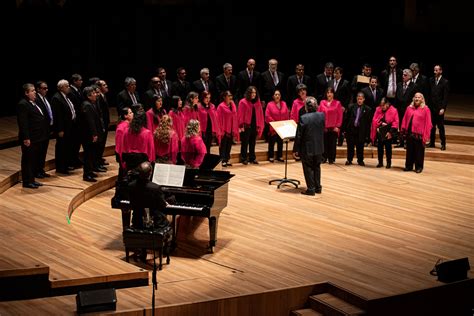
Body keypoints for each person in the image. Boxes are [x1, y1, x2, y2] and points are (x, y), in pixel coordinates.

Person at [17, 83, 50, 189]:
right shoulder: (23, 104)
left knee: (33, 160)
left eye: (34, 90)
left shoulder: (33, 103)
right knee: (28, 161)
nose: (35, 92)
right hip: (30, 138)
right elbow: (23, 123)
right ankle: (27, 182)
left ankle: (32, 180)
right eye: (32, 91)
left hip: (37, 137)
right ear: (26, 93)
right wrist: (26, 138)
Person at [293, 96, 325, 196]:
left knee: (308, 168)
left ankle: (311, 189)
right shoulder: (322, 115)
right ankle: (318, 187)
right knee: (317, 166)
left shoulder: (303, 118)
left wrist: (295, 149)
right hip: (319, 146)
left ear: (306, 107)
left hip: (307, 148)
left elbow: (299, 136)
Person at [128, 161, 170, 229]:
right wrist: (165, 202)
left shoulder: (131, 185)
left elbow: (132, 202)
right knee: (167, 222)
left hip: (137, 220)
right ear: (150, 173)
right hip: (156, 222)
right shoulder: (156, 188)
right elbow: (162, 206)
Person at [401, 93, 432, 173]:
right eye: (415, 97)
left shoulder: (426, 109)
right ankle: (409, 166)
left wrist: (426, 135)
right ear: (413, 98)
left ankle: (419, 167)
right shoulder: (409, 108)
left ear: (422, 99)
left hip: (419, 135)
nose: (417, 99)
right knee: (409, 151)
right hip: (409, 133)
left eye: (419, 97)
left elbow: (428, 123)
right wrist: (403, 130)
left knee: (419, 152)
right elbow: (404, 119)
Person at [238, 86, 265, 165]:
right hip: (246, 126)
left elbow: (260, 114)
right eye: (252, 93)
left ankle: (252, 158)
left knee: (253, 143)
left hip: (254, 125)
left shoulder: (257, 102)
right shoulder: (243, 102)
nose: (253, 94)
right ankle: (244, 158)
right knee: (245, 143)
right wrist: (241, 125)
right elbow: (240, 114)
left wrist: (259, 125)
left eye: (255, 93)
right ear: (248, 93)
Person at [370, 97, 399, 169]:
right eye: (381, 105)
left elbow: (396, 123)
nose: (382, 107)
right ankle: (380, 162)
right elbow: (374, 120)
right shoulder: (378, 109)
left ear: (388, 104)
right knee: (380, 148)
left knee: (388, 148)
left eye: (383, 105)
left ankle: (388, 163)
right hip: (380, 131)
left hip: (389, 132)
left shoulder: (394, 110)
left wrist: (390, 132)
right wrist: (380, 123)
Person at [428, 64, 449, 151]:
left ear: (441, 71)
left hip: (439, 108)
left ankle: (443, 143)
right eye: (434, 70)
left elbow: (445, 97)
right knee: (432, 126)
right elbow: (429, 94)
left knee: (440, 127)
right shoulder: (431, 80)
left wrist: (443, 108)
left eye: (437, 70)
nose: (435, 72)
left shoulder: (445, 82)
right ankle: (432, 142)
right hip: (432, 107)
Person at [217, 91, 239, 167]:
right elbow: (218, 119)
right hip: (224, 129)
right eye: (228, 96)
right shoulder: (220, 106)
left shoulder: (233, 105)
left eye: (231, 95)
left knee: (229, 145)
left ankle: (227, 159)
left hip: (231, 129)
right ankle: (222, 160)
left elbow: (235, 117)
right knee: (223, 145)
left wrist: (235, 128)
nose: (230, 97)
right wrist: (220, 130)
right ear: (224, 97)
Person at [265, 90, 289, 162]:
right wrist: (274, 123)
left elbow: (286, 114)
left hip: (281, 127)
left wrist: (284, 123)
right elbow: (267, 115)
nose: (277, 96)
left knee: (280, 142)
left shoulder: (284, 104)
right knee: (272, 142)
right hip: (273, 127)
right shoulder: (269, 104)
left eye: (278, 94)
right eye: (276, 95)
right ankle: (271, 156)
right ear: (273, 96)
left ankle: (280, 156)